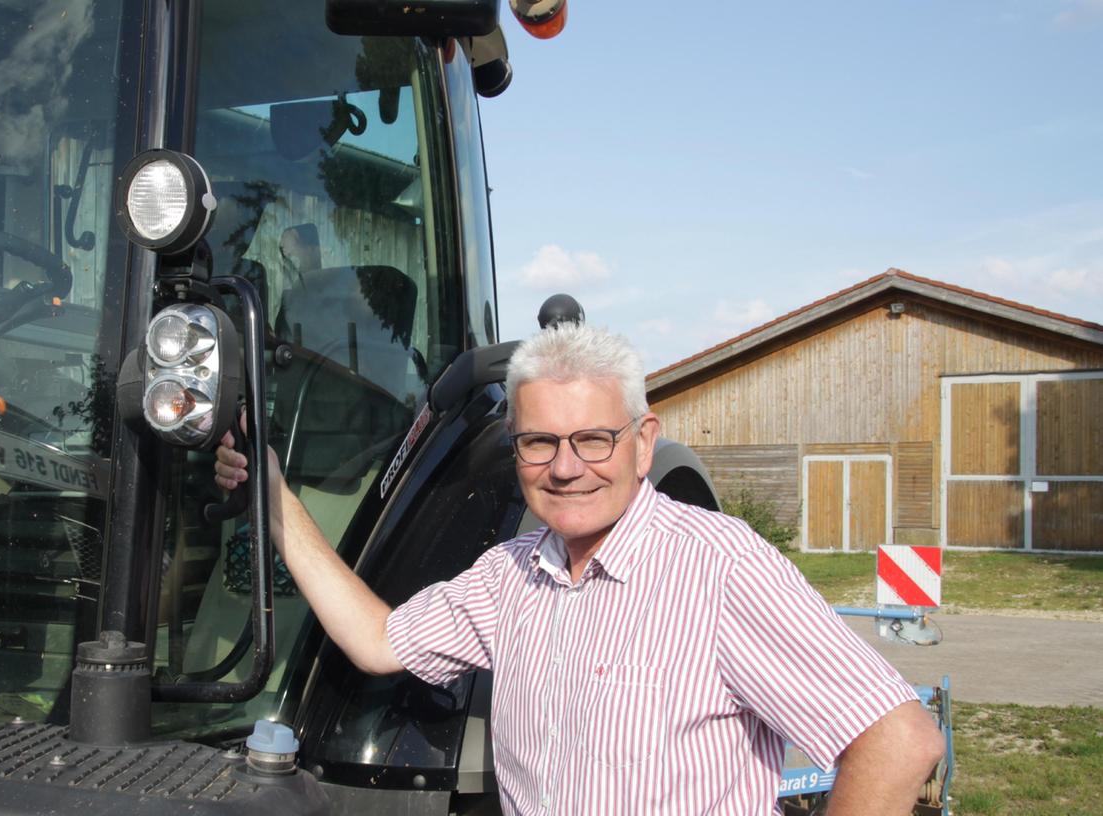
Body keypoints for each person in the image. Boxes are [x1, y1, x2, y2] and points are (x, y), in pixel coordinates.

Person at [214, 321, 945, 815]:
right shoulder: (511, 574)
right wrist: (274, 498)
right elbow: (376, 639)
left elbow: (897, 739)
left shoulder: (716, 564)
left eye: (593, 439)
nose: (565, 468)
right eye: (538, 442)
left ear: (641, 440)